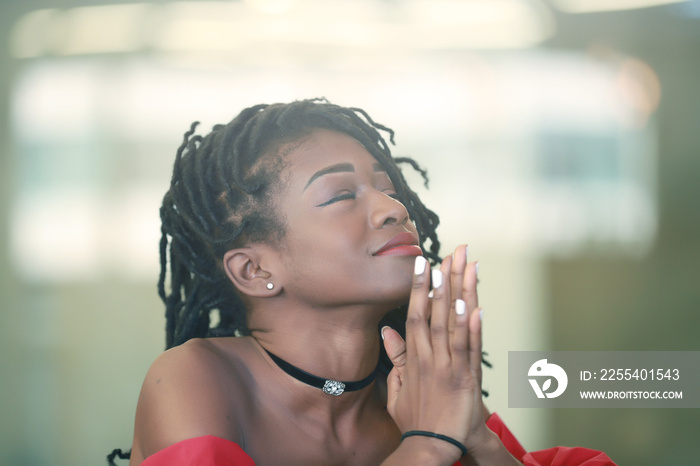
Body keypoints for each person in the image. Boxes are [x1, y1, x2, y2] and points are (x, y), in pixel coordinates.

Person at [111, 99, 616, 465]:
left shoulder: (422, 399)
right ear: (256, 270)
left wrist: (477, 439)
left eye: (386, 187)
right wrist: (428, 445)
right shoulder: (197, 378)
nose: (393, 208)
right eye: (340, 196)